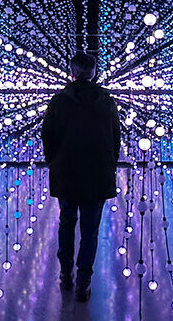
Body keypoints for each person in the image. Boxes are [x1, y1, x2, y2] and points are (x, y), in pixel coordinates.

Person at [42, 52, 121, 302]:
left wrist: (54, 161)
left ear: (72, 72)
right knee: (90, 230)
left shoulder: (58, 102)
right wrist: (109, 165)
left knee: (66, 223)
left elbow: (47, 136)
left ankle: (66, 275)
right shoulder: (106, 102)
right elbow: (115, 138)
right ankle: (83, 283)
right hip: (97, 175)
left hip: (66, 173)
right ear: (94, 73)